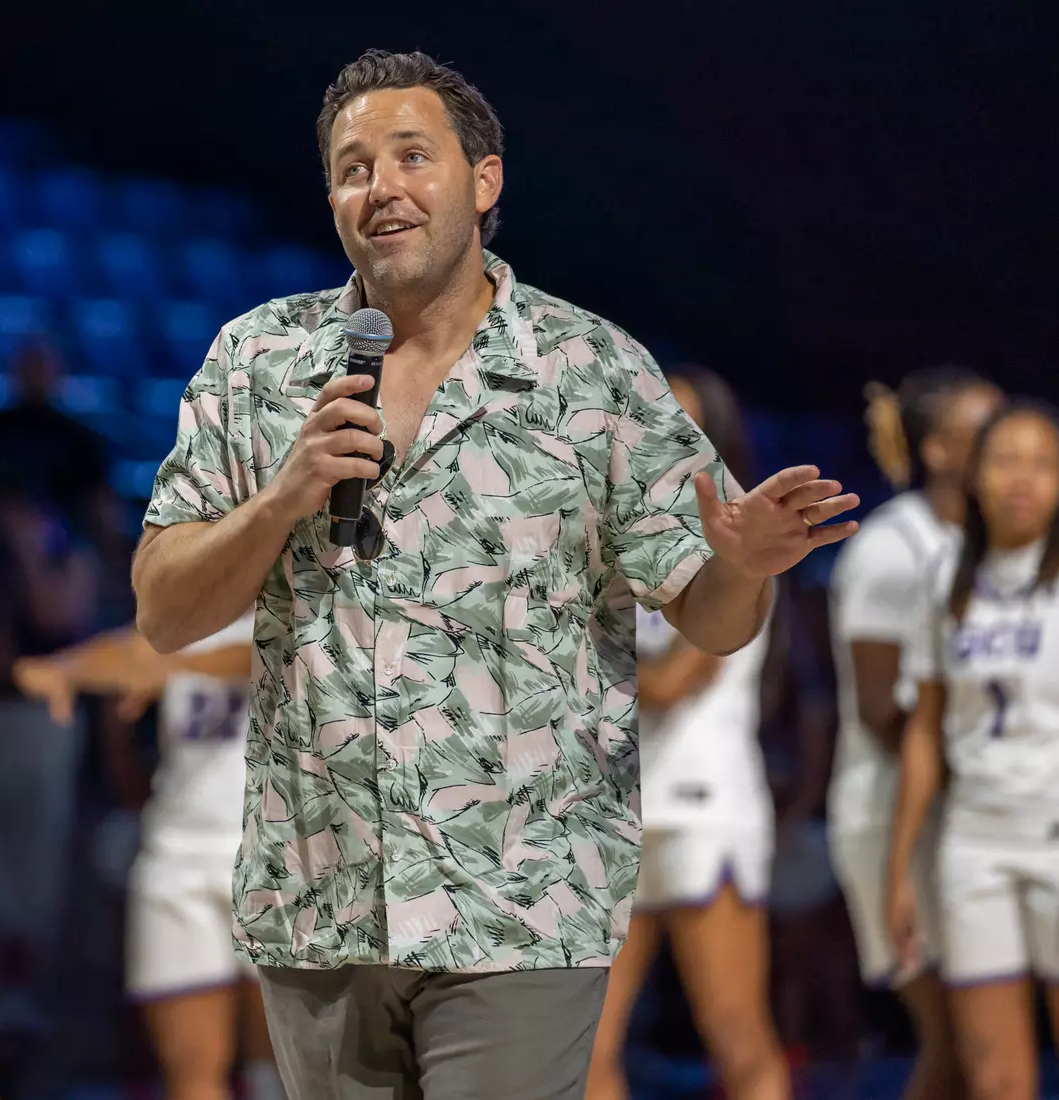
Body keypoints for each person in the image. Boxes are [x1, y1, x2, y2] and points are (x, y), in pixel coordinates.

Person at [130, 49, 858, 1100]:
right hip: (318, 895)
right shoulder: (258, 362)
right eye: (352, 166)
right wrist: (285, 494)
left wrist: (743, 566)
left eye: (411, 156)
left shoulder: (593, 370)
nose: (380, 186)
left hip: (519, 893)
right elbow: (163, 609)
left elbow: (708, 617)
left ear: (485, 180)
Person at [885, 401, 1059, 1100]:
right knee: (995, 1078)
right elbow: (924, 731)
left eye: (1041, 463)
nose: (1021, 479)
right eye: (1005, 460)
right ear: (975, 475)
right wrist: (900, 867)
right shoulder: (946, 576)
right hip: (975, 846)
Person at [585, 367, 789, 1100]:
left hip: (704, 804)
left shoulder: (743, 544)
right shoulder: (606, 529)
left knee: (736, 1037)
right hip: (611, 808)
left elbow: (674, 684)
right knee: (585, 1051)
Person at [14, 616, 287, 1100]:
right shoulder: (184, 608)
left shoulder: (294, 589)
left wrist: (164, 667)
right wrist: (69, 667)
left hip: (276, 854)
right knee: (190, 1069)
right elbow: (125, 649)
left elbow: (267, 649)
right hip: (176, 851)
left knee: (284, 1068)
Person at [825, 367, 1000, 1099]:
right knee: (955, 1040)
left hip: (966, 814)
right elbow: (877, 708)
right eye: (983, 430)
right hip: (893, 813)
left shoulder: (999, 546)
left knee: (986, 1042)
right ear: (936, 451)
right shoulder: (893, 549)